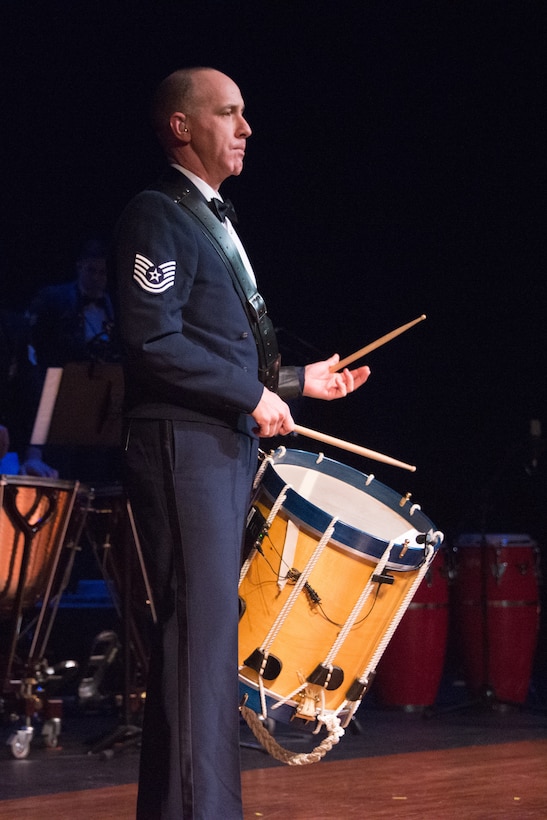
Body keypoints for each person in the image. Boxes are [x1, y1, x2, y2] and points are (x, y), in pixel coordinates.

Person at [113, 66, 371, 820]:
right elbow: (153, 340)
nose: (246, 126)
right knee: (199, 642)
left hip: (212, 442)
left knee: (201, 644)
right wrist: (253, 394)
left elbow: (212, 348)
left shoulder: (207, 214)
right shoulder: (155, 213)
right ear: (182, 127)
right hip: (181, 447)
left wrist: (291, 382)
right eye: (228, 112)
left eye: (246, 112)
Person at [25, 238, 121, 482]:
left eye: (102, 272)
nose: (97, 277)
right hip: (58, 390)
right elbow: (36, 344)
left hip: (99, 397)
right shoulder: (54, 299)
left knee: (95, 468)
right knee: (60, 462)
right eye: (92, 270)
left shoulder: (116, 307)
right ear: (79, 267)